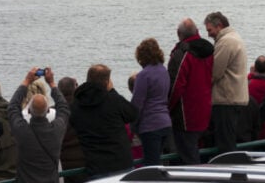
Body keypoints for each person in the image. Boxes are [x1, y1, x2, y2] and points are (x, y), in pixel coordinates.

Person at [70, 64, 138, 178]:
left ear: (88, 79)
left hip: (95, 166)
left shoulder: (76, 105)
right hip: (121, 163)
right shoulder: (113, 99)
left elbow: (73, 123)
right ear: (107, 82)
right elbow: (133, 114)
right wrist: (112, 91)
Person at [8, 67, 70, 183]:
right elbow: (63, 108)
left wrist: (27, 81)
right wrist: (51, 83)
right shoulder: (56, 130)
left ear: (29, 111)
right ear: (48, 111)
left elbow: (12, 107)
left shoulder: (22, 131)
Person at [167, 18, 214, 164]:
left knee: (188, 156)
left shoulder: (182, 54)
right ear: (198, 31)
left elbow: (176, 86)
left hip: (185, 113)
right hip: (205, 107)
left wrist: (167, 107)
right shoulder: (209, 50)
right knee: (199, 152)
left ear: (178, 34)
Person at [204, 11, 249, 155]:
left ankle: (229, 170)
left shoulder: (226, 42)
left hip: (226, 99)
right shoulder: (234, 38)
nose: (209, 34)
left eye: (210, 30)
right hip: (235, 97)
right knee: (229, 140)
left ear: (219, 26)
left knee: (225, 144)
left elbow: (215, 72)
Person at [131, 38, 172, 166]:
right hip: (165, 123)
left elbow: (137, 103)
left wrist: (132, 125)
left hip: (150, 125)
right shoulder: (164, 71)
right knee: (159, 162)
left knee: (151, 166)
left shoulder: (144, 75)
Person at [57, 77, 84, 183]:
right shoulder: (85, 109)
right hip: (84, 162)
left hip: (63, 164)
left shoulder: (55, 112)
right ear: (75, 89)